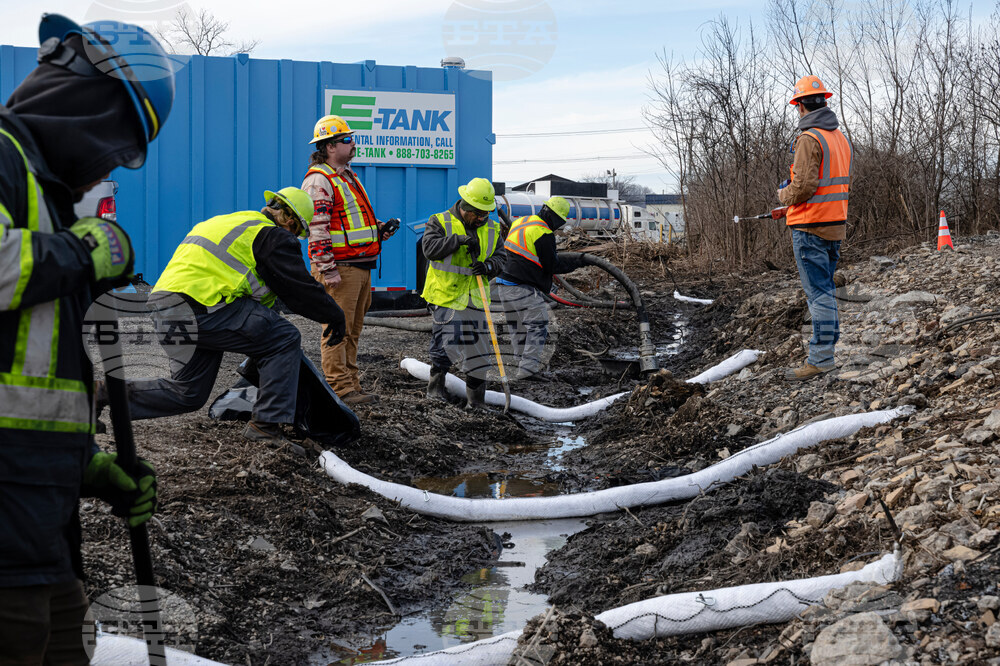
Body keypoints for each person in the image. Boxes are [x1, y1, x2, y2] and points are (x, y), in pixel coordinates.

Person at [0, 14, 170, 663]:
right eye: (116, 141)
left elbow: (26, 380)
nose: (109, 160)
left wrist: (90, 467)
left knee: (65, 641)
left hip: (37, 521)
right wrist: (81, 252)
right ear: (84, 97)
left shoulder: (42, 195)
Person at [113, 187, 347, 449]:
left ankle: (101, 395)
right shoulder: (271, 236)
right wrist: (334, 316)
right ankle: (266, 427)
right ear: (290, 220)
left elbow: (259, 294)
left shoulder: (231, 222)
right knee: (283, 337)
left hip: (164, 309)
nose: (294, 239)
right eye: (297, 232)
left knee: (187, 393)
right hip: (201, 307)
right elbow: (300, 289)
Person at [302, 115, 399, 406]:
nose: (352, 143)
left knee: (353, 330)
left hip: (359, 265)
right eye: (346, 139)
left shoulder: (347, 176)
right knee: (337, 329)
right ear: (330, 147)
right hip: (340, 269)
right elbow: (316, 227)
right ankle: (340, 389)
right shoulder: (320, 179)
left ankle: (352, 384)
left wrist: (379, 229)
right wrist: (327, 268)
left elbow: (349, 220)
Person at [777, 75, 851, 381]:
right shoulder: (839, 138)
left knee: (818, 295)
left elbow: (804, 186)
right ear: (823, 101)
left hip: (810, 228)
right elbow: (827, 185)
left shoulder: (810, 138)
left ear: (800, 105)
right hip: (834, 225)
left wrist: (784, 195)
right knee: (827, 293)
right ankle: (826, 354)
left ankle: (820, 359)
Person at [421, 177, 507, 408]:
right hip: (447, 296)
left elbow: (501, 257)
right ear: (465, 206)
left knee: (479, 350)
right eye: (478, 213)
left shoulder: (492, 226)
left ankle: (476, 402)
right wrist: (457, 241)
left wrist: (489, 266)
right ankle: (435, 393)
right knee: (444, 347)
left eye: (485, 213)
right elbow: (429, 249)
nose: (481, 218)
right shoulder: (440, 221)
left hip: (476, 299)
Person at [496, 196, 585, 379]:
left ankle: (519, 367)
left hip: (504, 283)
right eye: (559, 221)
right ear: (553, 216)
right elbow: (552, 266)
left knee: (518, 327)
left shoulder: (522, 222)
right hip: (522, 286)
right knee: (538, 325)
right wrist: (578, 262)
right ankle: (527, 370)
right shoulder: (543, 233)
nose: (558, 226)